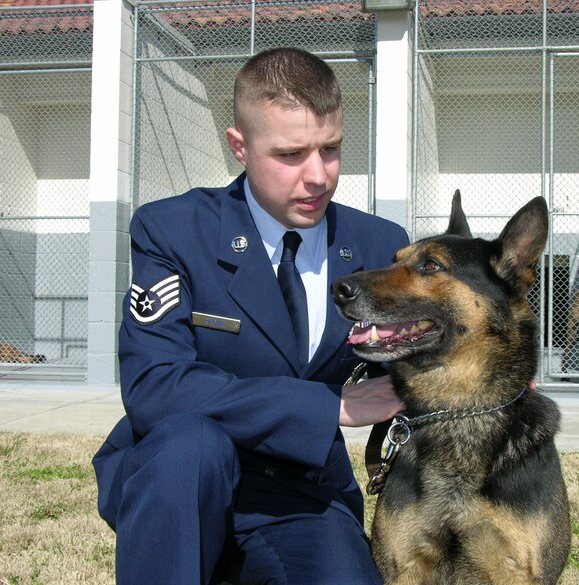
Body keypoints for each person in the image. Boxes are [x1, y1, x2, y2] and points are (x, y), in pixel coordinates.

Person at [92, 47, 410, 585]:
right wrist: (327, 406)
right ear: (239, 146)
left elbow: (410, 369)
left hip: (301, 487)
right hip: (180, 479)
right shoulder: (174, 230)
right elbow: (156, 387)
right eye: (290, 154)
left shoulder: (378, 244)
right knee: (191, 442)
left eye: (330, 149)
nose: (318, 176)